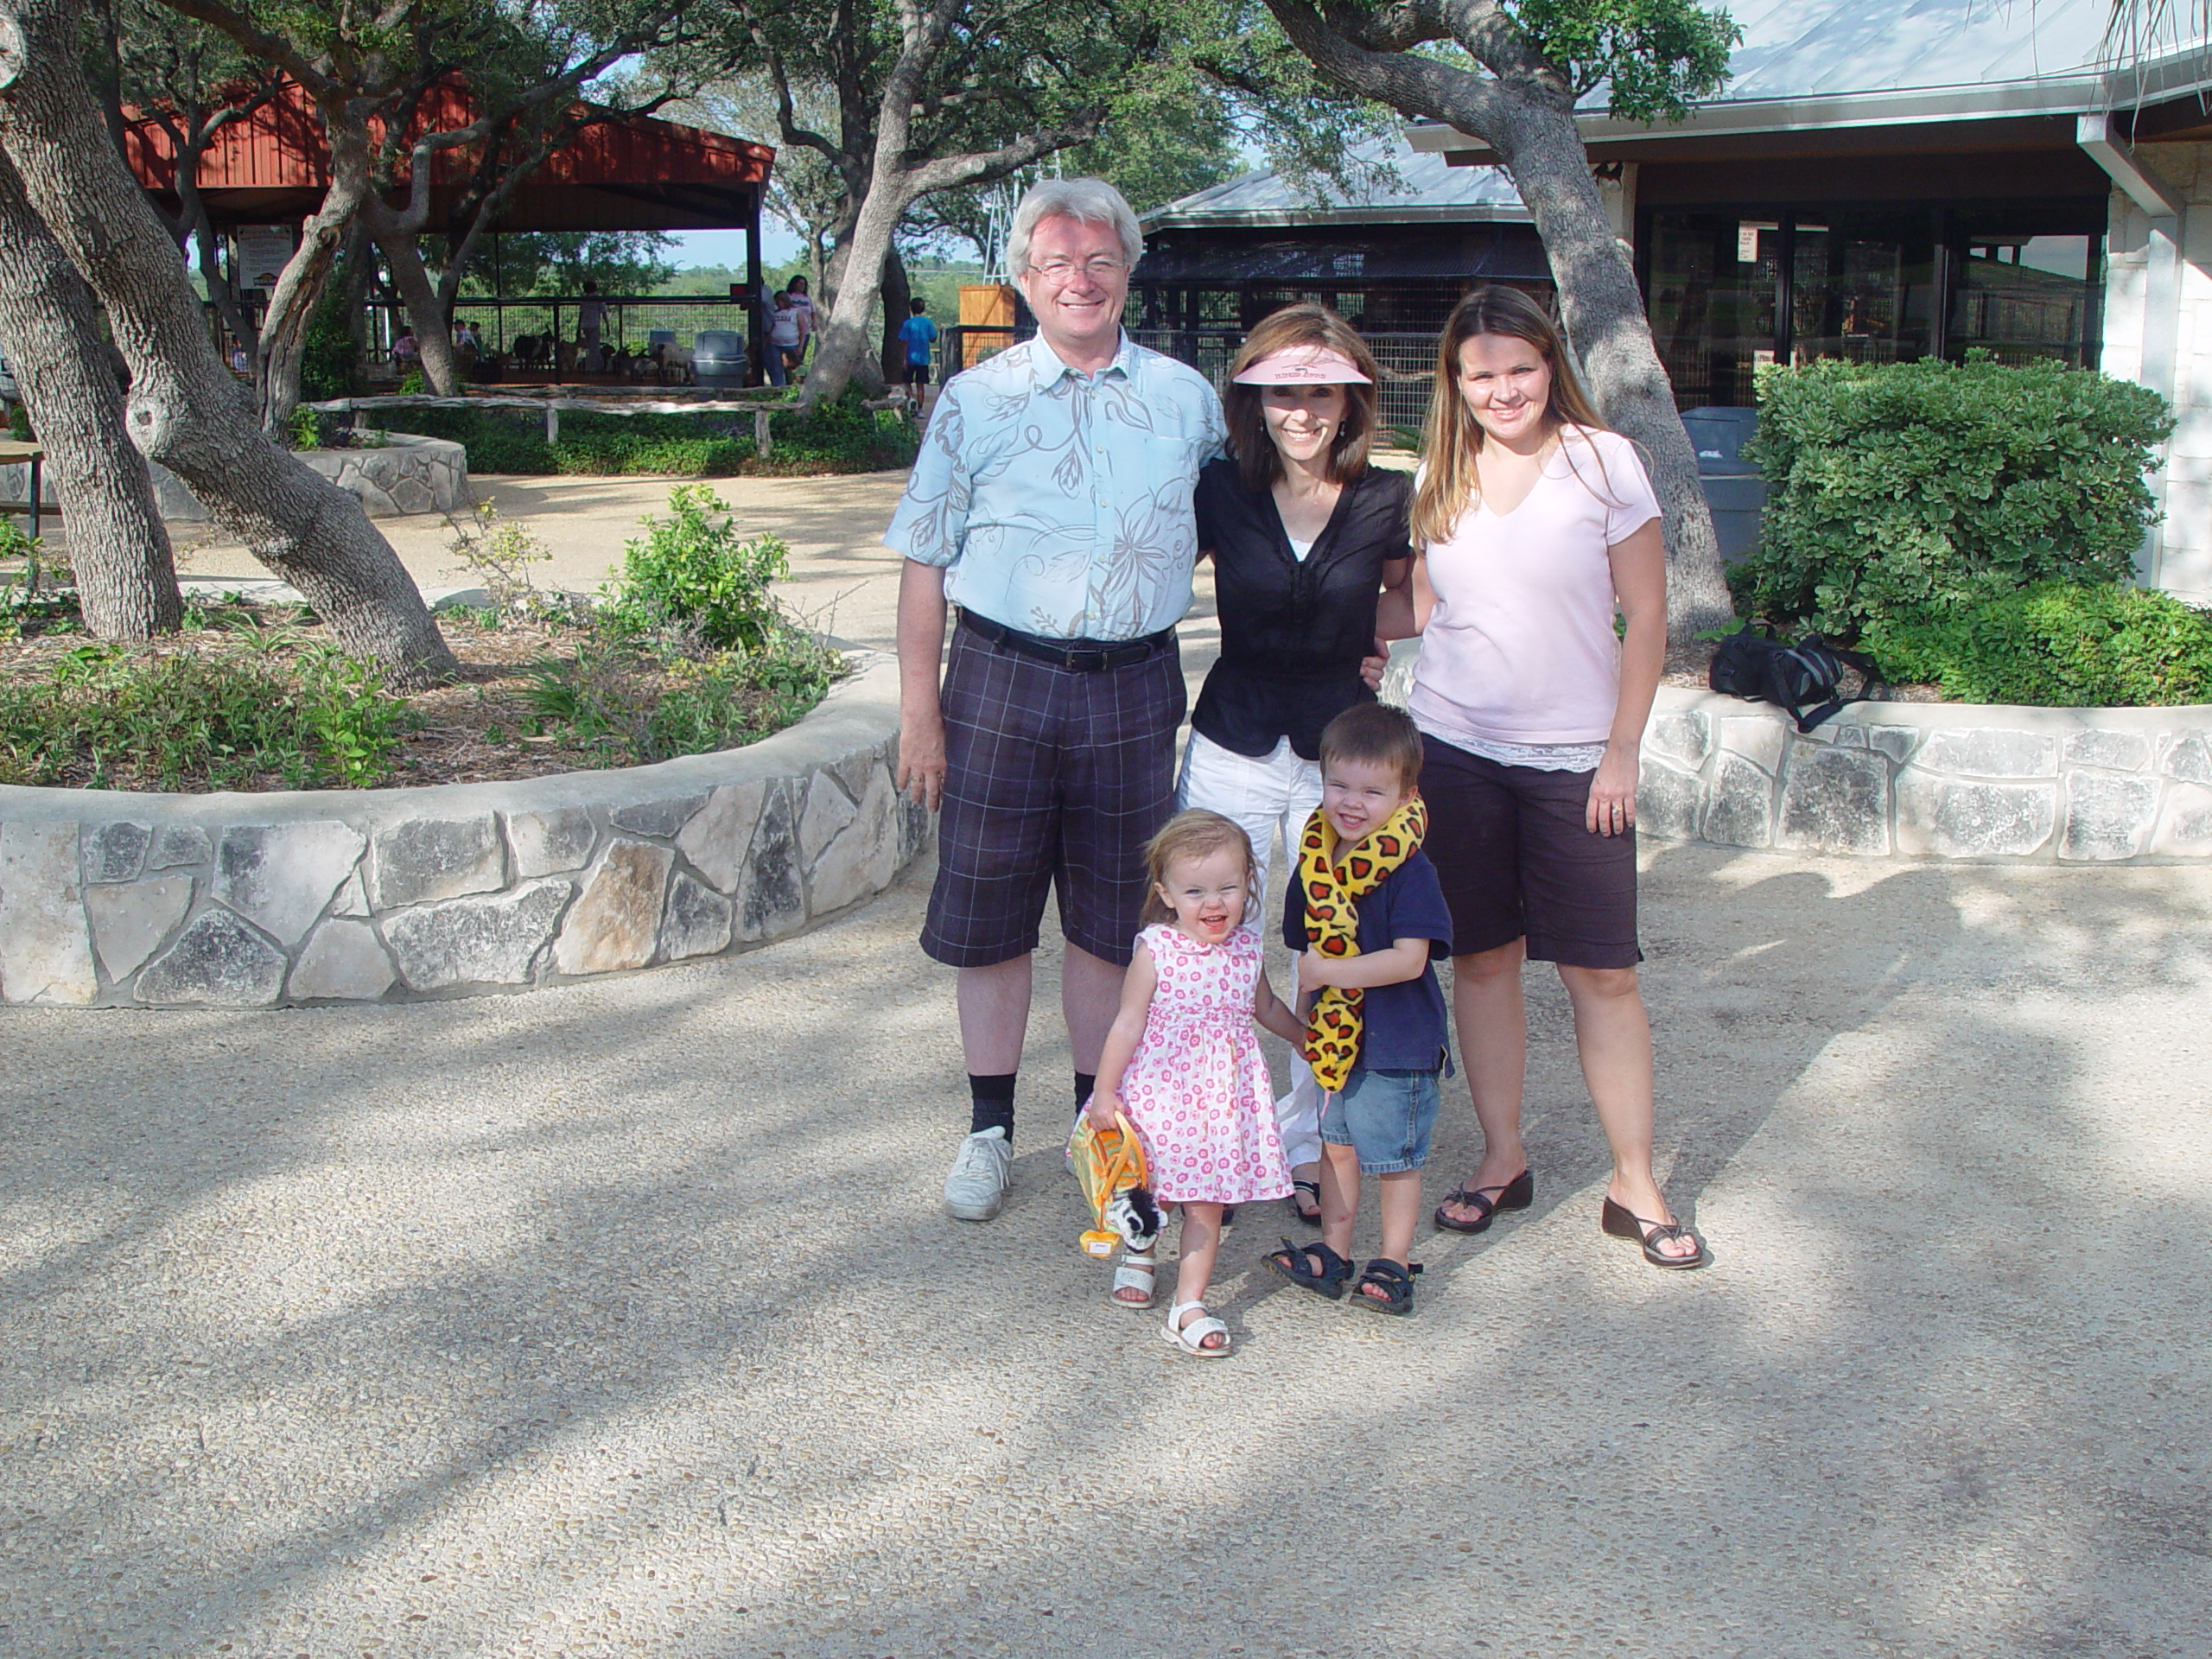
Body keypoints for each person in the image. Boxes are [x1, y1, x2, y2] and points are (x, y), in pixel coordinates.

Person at [887, 177, 1224, 1224]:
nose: (1079, 280)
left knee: (1110, 922)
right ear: (1024, 281)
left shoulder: (1186, 399)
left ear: (1127, 271)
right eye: (1056, 263)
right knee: (988, 917)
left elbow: (1235, 536)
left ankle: (1101, 1134)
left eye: (1099, 260)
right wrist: (919, 713)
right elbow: (922, 565)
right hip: (996, 680)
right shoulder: (974, 402)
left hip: (1132, 684)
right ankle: (988, 1130)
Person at [1387, 283, 1707, 1269]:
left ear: (1548, 365)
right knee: (1481, 961)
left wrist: (1620, 750)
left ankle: (1634, 1181)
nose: (1503, 389)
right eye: (1481, 374)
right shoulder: (1438, 470)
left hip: (1579, 761)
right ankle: (1501, 1158)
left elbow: (1645, 618)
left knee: (1602, 972)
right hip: (1455, 751)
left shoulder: (1604, 462)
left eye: (1520, 368)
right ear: (1456, 382)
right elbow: (1429, 607)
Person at [1179, 302, 1411, 1227]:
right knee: (1213, 945)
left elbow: (1415, 598)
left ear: (1350, 403)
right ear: (1256, 400)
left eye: (1320, 393)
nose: (1302, 413)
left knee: (1327, 948)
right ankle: (1215, 1143)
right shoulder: (1219, 487)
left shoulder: (1389, 497)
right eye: (1283, 393)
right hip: (1233, 739)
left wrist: (1370, 641)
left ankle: (1310, 1139)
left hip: (1338, 759)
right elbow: (1152, 569)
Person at [1261, 703, 1454, 1315]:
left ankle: (1394, 1261)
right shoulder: (1315, 866)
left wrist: (1328, 973)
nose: (1351, 802)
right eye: (1338, 785)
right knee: (1335, 1147)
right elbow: (1309, 959)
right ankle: (1334, 1251)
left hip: (1399, 1041)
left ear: (1404, 795)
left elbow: (1409, 961)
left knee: (1393, 1159)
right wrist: (1301, 1028)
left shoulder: (1410, 870)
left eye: (1373, 791)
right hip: (1338, 1042)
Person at [1086, 811, 1304, 1355]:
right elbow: (1128, 1022)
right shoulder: (1156, 949)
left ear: (1249, 883)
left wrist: (1305, 1039)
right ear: (1166, 893)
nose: (1215, 904)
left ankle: (1190, 1304)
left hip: (1222, 1103)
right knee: (1151, 1183)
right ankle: (1141, 1253)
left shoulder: (1247, 951)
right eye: (1196, 891)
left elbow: (1267, 1007)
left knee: (1206, 1202)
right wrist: (1105, 1092)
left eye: (1228, 888)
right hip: (1160, 1093)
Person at [897, 297, 938, 410]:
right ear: (923, 309)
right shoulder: (928, 322)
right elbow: (933, 338)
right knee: (921, 385)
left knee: (906, 382)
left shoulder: (907, 324)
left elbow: (904, 342)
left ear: (911, 309)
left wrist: (904, 358)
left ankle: (911, 397)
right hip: (923, 358)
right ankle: (920, 409)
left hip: (910, 357)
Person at [765, 291, 802, 387]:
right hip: (775, 344)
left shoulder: (796, 312)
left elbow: (803, 329)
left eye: (779, 301)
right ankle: (778, 387)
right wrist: (767, 341)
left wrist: (800, 346)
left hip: (791, 344)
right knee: (776, 367)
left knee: (791, 368)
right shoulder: (775, 313)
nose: (778, 304)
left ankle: (792, 386)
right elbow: (772, 327)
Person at [786, 274, 817, 364]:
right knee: (790, 357)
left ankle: (798, 374)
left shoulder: (806, 298)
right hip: (791, 330)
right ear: (794, 284)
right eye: (800, 283)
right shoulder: (789, 296)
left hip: (804, 331)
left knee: (800, 356)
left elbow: (812, 312)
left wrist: (814, 322)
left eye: (804, 284)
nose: (802, 286)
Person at [577, 282, 607, 373]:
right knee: (594, 347)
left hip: (585, 325)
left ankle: (598, 366)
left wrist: (578, 327)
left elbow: (581, 314)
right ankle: (591, 367)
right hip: (594, 324)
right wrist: (607, 324)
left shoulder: (584, 300)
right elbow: (603, 312)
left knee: (591, 346)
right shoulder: (598, 299)